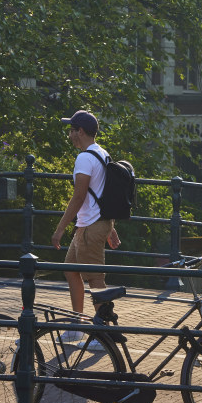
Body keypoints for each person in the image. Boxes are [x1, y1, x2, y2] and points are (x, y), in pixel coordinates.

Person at [51, 110, 121, 326]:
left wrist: (60, 229)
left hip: (90, 226)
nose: (70, 135)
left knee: (95, 278)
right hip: (93, 224)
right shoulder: (103, 153)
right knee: (71, 270)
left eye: (72, 130)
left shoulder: (84, 158)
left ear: (80, 132)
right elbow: (105, 195)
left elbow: (79, 196)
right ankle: (78, 322)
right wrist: (110, 228)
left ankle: (103, 330)